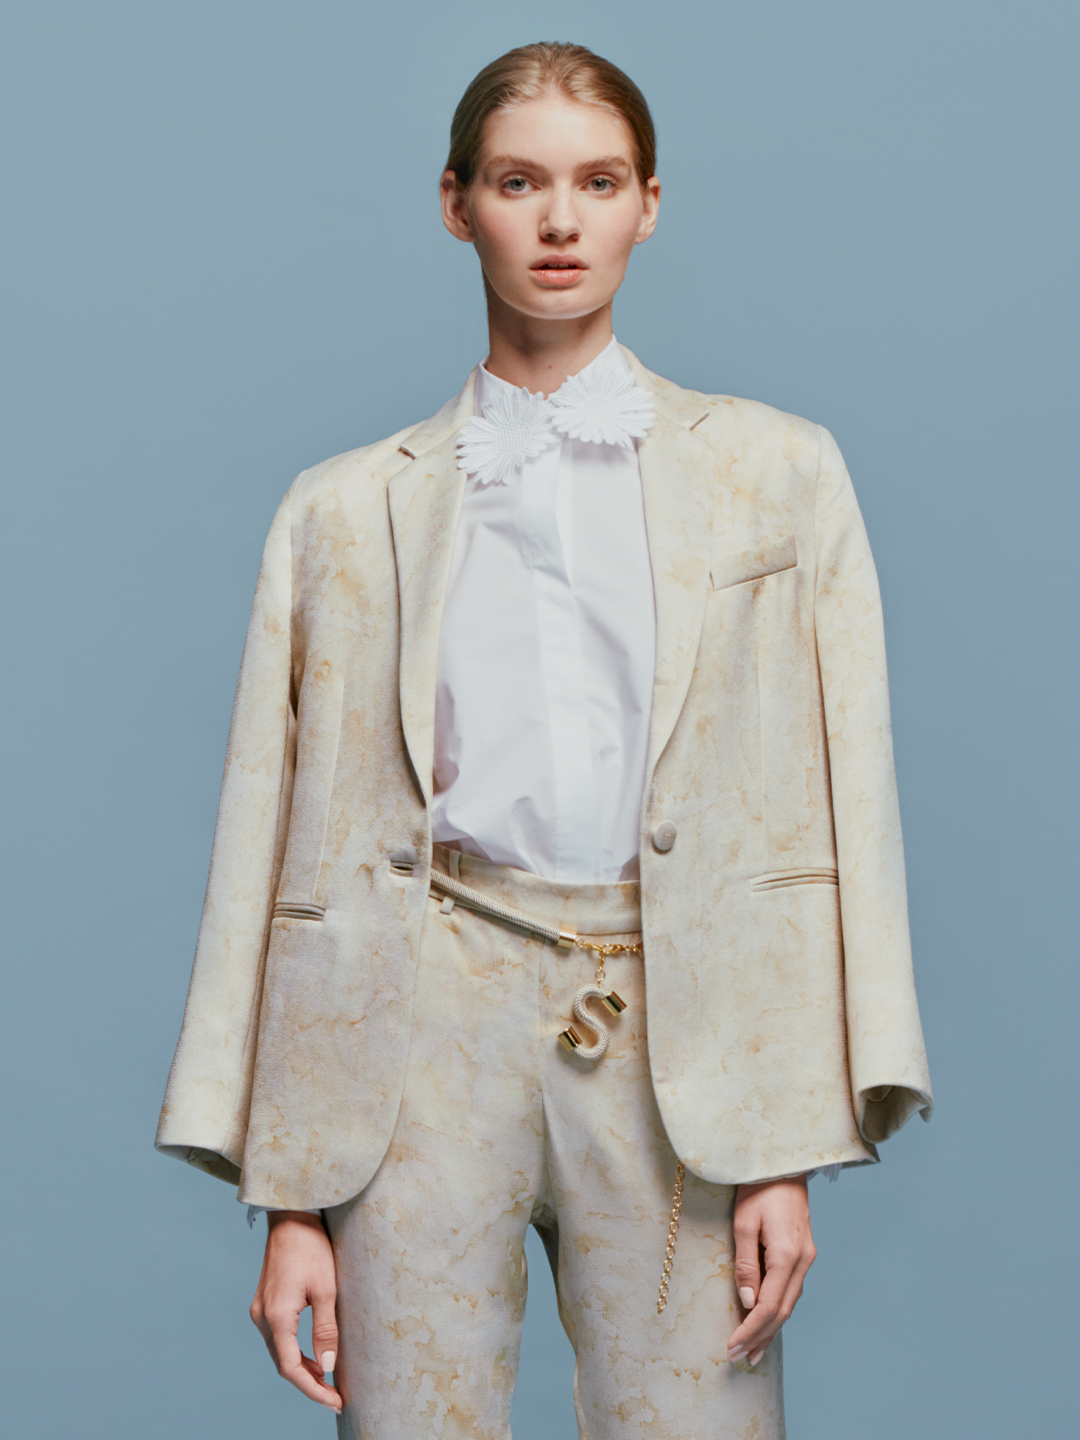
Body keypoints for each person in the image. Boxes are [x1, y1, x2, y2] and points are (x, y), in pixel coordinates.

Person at [156, 41, 932, 1440]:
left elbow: (840, 810)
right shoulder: (339, 514)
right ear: (457, 204)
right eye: (520, 182)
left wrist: (789, 1146)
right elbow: (271, 857)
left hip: (678, 1031)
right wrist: (288, 1196)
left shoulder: (781, 474)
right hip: (413, 1034)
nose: (560, 220)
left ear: (650, 203)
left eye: (597, 182)